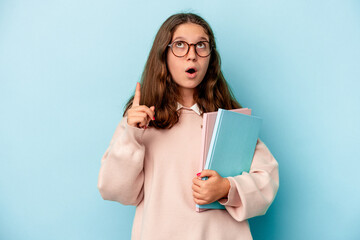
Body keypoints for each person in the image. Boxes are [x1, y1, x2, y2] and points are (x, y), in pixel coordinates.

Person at [97, 12, 279, 240]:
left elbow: (267, 180)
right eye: (180, 45)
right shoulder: (140, 123)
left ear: (211, 57)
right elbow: (114, 190)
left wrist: (226, 188)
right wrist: (130, 134)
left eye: (201, 46)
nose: (191, 55)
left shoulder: (230, 120)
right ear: (163, 54)